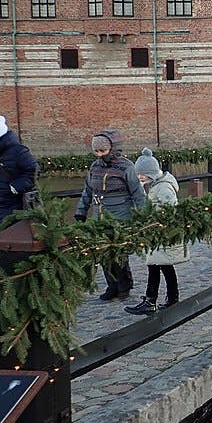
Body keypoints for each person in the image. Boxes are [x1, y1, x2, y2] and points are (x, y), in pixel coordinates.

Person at [75, 129, 146, 301]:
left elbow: (137, 193)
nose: (99, 155)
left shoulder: (126, 167)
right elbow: (88, 190)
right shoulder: (95, 167)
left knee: (119, 252)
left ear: (112, 149)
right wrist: (81, 211)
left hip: (120, 215)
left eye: (102, 151)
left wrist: (144, 216)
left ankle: (124, 285)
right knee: (103, 252)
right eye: (96, 151)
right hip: (99, 216)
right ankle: (111, 286)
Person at [126, 149, 189, 316]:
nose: (139, 178)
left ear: (152, 173)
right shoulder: (155, 185)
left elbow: (168, 212)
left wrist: (153, 223)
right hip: (157, 234)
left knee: (157, 265)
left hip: (162, 234)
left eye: (143, 175)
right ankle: (169, 298)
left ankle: (152, 300)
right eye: (138, 174)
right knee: (160, 266)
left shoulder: (163, 189)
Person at [0, 115, 37, 229]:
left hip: (12, 205)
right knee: (0, 236)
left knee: (11, 235)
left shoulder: (18, 151)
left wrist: (16, 186)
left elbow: (33, 171)